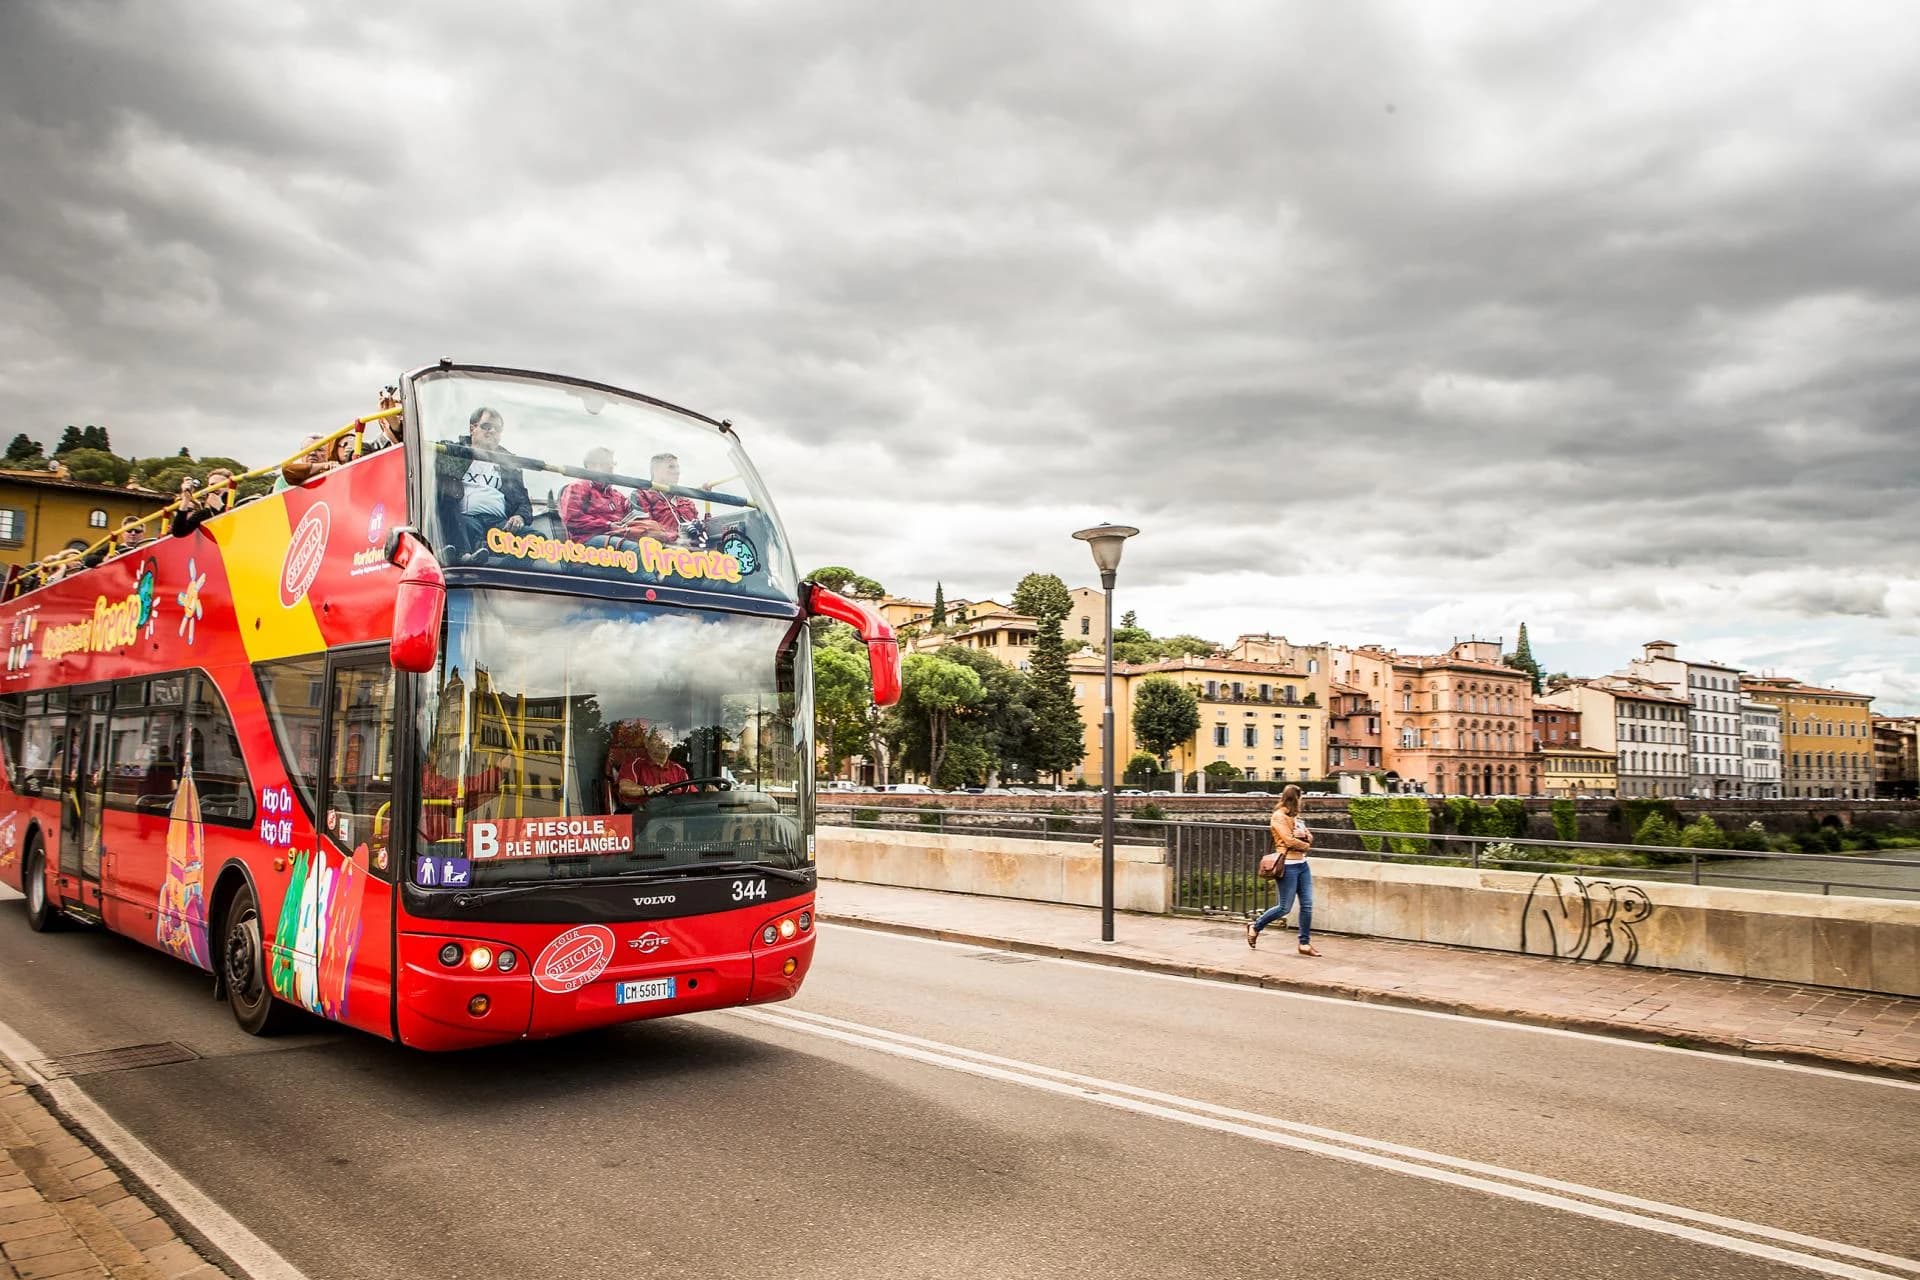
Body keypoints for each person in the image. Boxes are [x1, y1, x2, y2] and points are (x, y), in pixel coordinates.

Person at [434, 406, 531, 560]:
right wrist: (396, 429)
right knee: (458, 519)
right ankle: (465, 556)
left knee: (536, 540)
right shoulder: (453, 452)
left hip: (499, 526)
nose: (492, 431)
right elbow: (420, 452)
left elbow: (523, 503)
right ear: (472, 429)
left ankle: (493, 563)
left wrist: (520, 517)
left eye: (497, 429)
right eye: (487, 426)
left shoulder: (509, 464)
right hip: (464, 520)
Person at [1249, 784, 1319, 956]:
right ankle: (1256, 926)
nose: (1302, 802)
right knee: (1284, 907)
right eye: (1300, 798)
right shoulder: (1278, 817)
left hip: (1302, 864)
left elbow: (1309, 836)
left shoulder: (1296, 817)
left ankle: (1304, 944)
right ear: (1295, 798)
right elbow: (1288, 841)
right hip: (1288, 865)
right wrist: (1305, 845)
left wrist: (1305, 837)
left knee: (1307, 905)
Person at [557, 447, 637, 549]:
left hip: (617, 534)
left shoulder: (615, 494)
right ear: (592, 465)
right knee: (636, 549)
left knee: (650, 545)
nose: (611, 466)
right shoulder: (578, 487)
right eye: (607, 463)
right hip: (587, 540)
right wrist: (608, 525)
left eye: (612, 463)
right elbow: (573, 521)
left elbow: (629, 513)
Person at [608, 720, 691, 810]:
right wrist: (648, 790)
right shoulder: (634, 765)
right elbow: (624, 787)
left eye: (668, 739)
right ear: (647, 742)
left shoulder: (679, 770)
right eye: (658, 738)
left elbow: (694, 795)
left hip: (674, 815)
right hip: (640, 815)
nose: (664, 743)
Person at [627, 453, 706, 547]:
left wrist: (708, 525)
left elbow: (701, 533)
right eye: (671, 467)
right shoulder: (641, 495)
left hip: (696, 551)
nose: (677, 472)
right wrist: (676, 538)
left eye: (677, 467)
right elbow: (643, 530)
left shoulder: (686, 502)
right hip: (661, 552)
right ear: (656, 471)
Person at [171, 469, 235, 537]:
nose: (216, 488)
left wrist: (220, 507)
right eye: (212, 485)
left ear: (230, 488)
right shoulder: (205, 513)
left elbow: (232, 532)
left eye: (222, 485)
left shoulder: (240, 505)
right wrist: (186, 499)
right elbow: (179, 532)